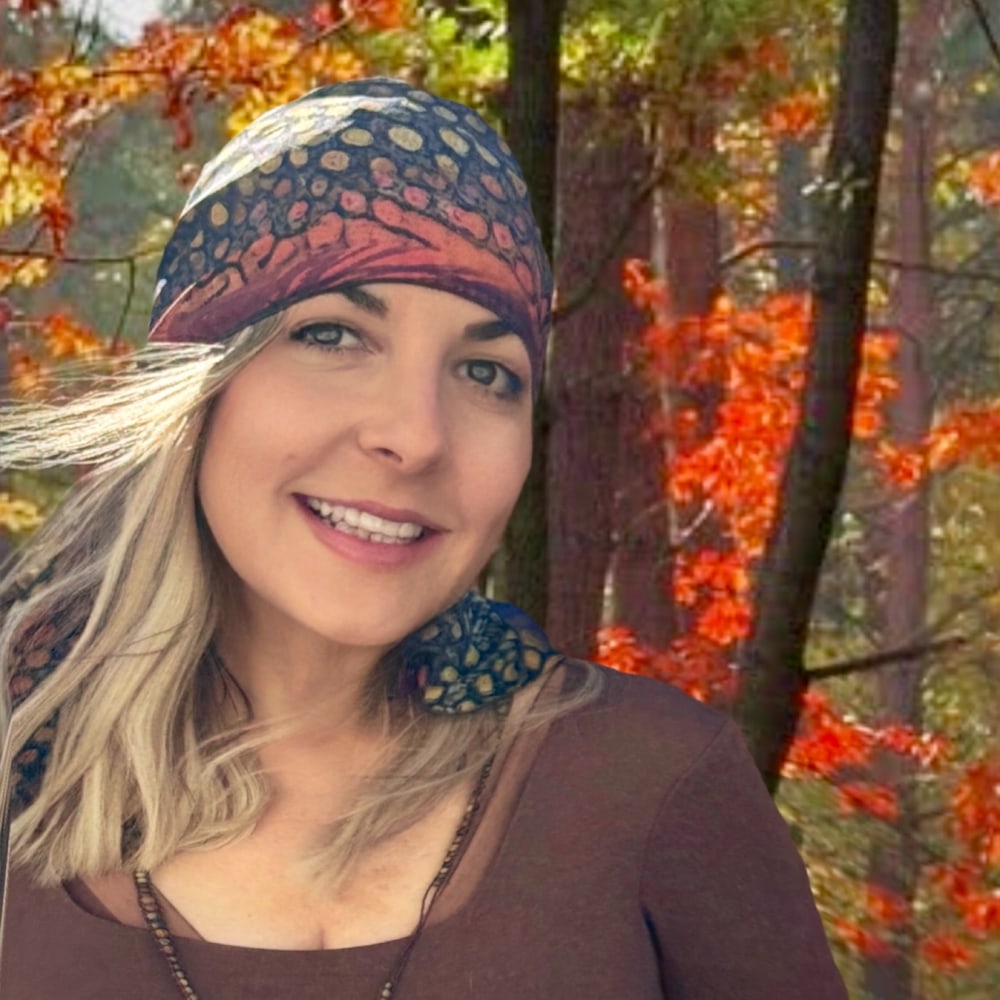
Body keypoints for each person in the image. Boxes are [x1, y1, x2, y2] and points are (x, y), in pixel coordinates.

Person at [0, 77, 848, 999]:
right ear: (197, 386)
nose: (416, 435)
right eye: (333, 335)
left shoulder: (653, 784)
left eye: (486, 372)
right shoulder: (18, 771)